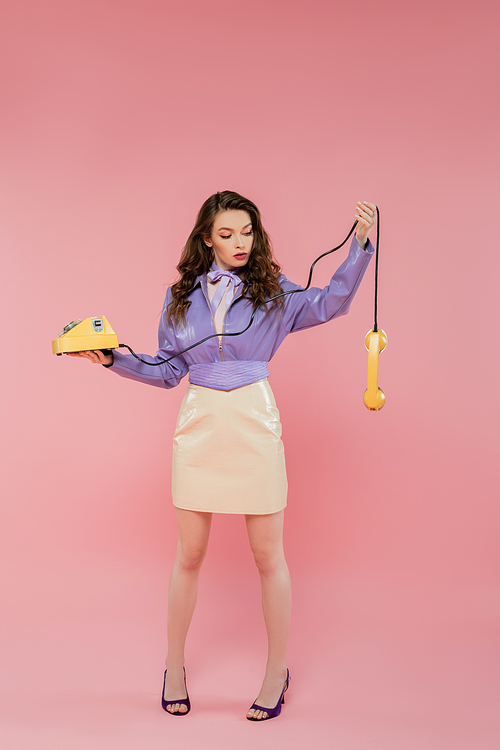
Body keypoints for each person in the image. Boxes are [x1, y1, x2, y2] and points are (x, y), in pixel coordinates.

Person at [68, 190, 376, 721]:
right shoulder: (178, 296)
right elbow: (167, 370)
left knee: (266, 555)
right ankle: (173, 666)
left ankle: (276, 670)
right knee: (188, 555)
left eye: (247, 232)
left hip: (254, 422)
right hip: (200, 426)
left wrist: (362, 247)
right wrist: (111, 359)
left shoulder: (275, 291)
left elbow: (331, 302)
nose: (239, 242)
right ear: (206, 237)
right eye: (227, 233)